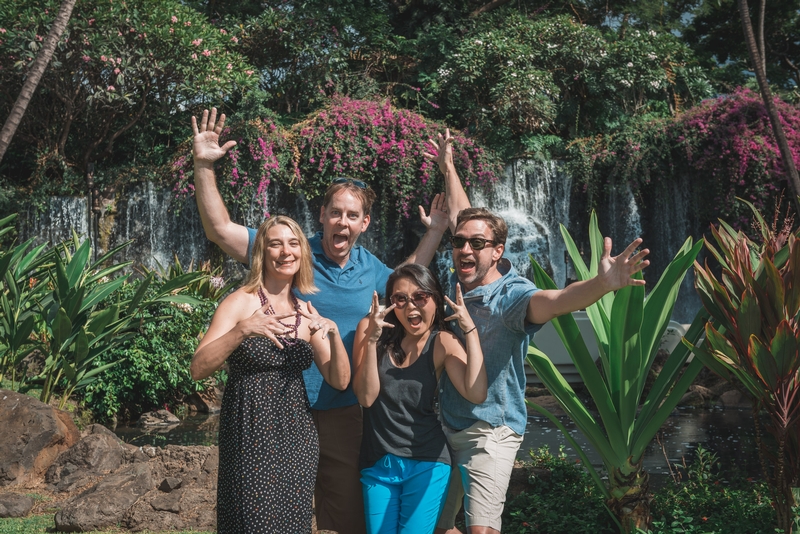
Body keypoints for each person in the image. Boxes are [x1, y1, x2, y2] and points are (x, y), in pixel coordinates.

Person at [191, 108, 449, 534]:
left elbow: (410, 281)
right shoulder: (290, 251)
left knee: (346, 517)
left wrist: (436, 233)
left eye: (353, 215)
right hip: (272, 412)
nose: (342, 222)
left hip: (340, 413)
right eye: (335, 212)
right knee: (267, 517)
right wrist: (203, 166)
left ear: (365, 223)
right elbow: (219, 229)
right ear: (322, 215)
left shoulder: (375, 274)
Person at [423, 130, 651, 534]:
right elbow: (463, 215)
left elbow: (558, 299)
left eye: (478, 244)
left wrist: (603, 284)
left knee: (482, 530)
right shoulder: (459, 279)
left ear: (498, 252)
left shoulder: (512, 296)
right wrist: (449, 168)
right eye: (459, 242)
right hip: (444, 426)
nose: (465, 249)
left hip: (491, 430)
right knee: (435, 527)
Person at [190, 215, 350, 533]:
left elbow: (339, 380)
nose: (285, 251)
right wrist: (242, 330)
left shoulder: (305, 312)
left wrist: (332, 333)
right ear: (262, 252)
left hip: (297, 438)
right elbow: (198, 367)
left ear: (302, 253)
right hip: (249, 433)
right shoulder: (239, 303)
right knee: (253, 522)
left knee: (293, 524)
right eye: (275, 243)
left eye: (293, 244)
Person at [352, 264, 487, 534]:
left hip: (427, 461)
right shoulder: (373, 332)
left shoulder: (442, 342)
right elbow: (366, 398)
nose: (410, 306)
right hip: (378, 462)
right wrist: (371, 341)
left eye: (420, 297)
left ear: (435, 299)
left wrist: (469, 329)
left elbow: (476, 392)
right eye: (400, 299)